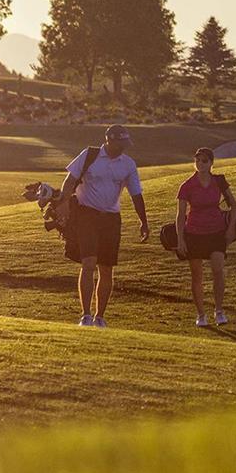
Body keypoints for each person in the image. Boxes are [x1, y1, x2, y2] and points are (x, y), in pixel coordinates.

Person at [59, 124, 149, 328]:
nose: (123, 147)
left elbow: (136, 194)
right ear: (109, 140)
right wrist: (64, 202)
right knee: (89, 263)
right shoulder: (89, 155)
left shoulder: (128, 163)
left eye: (125, 144)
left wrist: (143, 221)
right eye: (120, 143)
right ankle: (86, 315)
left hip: (111, 218)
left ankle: (100, 317)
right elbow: (70, 180)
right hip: (86, 215)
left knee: (106, 268)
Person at [176, 146, 236, 326]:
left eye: (204, 161)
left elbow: (234, 205)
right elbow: (180, 216)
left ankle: (219, 311)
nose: (200, 164)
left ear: (211, 163)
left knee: (218, 270)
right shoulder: (187, 186)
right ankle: (201, 315)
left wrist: (231, 229)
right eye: (197, 160)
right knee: (197, 275)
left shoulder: (219, 181)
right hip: (194, 233)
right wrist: (180, 239)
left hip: (216, 232)